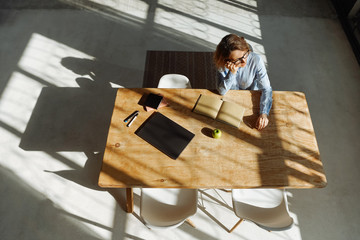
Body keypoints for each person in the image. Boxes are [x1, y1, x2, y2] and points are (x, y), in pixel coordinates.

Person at [214, 34, 273, 130]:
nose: (244, 61)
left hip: (251, 99)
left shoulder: (256, 60)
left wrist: (264, 114)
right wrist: (232, 73)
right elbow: (222, 91)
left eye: (245, 55)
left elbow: (266, 88)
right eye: (237, 60)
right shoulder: (223, 66)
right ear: (227, 61)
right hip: (230, 100)